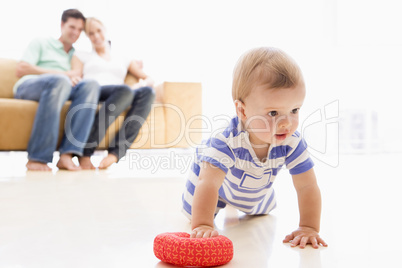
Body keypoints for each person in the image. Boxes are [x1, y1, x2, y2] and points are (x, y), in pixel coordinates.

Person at [182, 47, 328, 249]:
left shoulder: (292, 142)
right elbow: (208, 184)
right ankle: (210, 212)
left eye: (295, 110)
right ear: (242, 110)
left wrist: (309, 227)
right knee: (195, 211)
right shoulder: (225, 142)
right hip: (209, 182)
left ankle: (239, 203)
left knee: (257, 208)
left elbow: (307, 186)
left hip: (255, 184)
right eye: (274, 113)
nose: (286, 123)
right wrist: (204, 224)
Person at [13, 9, 100, 171]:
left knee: (91, 85)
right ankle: (38, 158)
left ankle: (68, 154)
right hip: (30, 86)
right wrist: (64, 75)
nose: (76, 33)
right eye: (72, 27)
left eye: (80, 30)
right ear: (62, 25)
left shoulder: (77, 55)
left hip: (62, 88)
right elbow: (21, 68)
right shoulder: (42, 42)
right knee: (60, 81)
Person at [73, 17, 155, 169]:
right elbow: (75, 75)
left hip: (121, 94)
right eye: (91, 34)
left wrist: (140, 84)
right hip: (96, 90)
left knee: (148, 92)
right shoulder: (82, 55)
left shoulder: (123, 57)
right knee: (124, 90)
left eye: (99, 31)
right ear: (87, 37)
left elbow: (148, 78)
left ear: (105, 30)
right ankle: (85, 152)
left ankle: (116, 152)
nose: (96, 36)